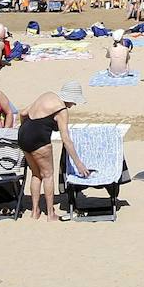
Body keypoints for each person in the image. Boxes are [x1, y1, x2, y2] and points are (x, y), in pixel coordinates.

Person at [17, 82, 90, 221]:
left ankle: (34, 211)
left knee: (36, 174)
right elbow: (66, 140)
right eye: (74, 101)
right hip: (39, 139)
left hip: (23, 135)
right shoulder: (61, 110)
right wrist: (79, 164)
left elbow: (23, 113)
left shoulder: (47, 95)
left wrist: (24, 128)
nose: (73, 104)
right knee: (48, 175)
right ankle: (50, 213)